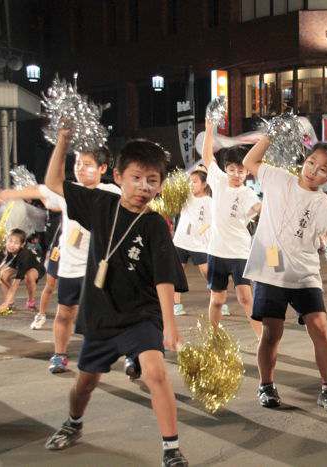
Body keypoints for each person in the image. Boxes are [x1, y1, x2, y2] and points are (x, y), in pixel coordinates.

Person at [42, 130, 189, 466]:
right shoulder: (99, 204)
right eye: (136, 178)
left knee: (155, 372)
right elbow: (52, 181)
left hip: (141, 314)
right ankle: (73, 422)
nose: (144, 187)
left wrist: (170, 325)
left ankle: (171, 449)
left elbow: (164, 278)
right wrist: (64, 140)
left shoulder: (155, 224)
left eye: (152, 180)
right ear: (119, 176)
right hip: (101, 314)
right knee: (85, 384)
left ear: (161, 185)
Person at [242, 135, 327, 412]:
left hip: (305, 272)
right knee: (272, 332)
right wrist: (272, 134)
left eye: (322, 169)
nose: (313, 170)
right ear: (304, 161)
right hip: (271, 269)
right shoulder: (277, 178)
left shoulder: (322, 203)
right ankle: (266, 385)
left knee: (319, 327)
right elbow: (250, 161)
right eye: (311, 162)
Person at [0, 146, 121, 373]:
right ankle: (59, 354)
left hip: (98, 267)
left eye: (87, 164)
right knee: (65, 312)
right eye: (77, 163)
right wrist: (8, 194)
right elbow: (41, 190)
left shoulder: (111, 192)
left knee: (110, 313)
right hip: (70, 266)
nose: (80, 168)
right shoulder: (68, 190)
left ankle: (130, 353)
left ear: (102, 168)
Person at [202, 120, 262, 337]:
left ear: (247, 173)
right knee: (217, 299)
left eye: (241, 170)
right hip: (216, 251)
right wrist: (209, 129)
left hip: (239, 253)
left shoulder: (248, 193)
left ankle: (262, 339)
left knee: (246, 298)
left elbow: (258, 207)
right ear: (226, 169)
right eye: (232, 169)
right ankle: (214, 337)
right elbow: (207, 157)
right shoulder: (217, 181)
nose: (236, 174)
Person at [172, 165, 212, 316]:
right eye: (190, 181)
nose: (191, 184)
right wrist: (193, 169)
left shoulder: (209, 201)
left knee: (207, 271)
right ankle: (176, 304)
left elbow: (213, 222)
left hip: (199, 244)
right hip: (181, 241)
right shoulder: (185, 197)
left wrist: (203, 230)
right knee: (177, 272)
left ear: (204, 184)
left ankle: (217, 299)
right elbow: (176, 183)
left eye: (195, 181)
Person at [0, 228, 46, 311]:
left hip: (35, 268)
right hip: (19, 264)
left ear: (22, 244)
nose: (12, 245)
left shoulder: (24, 256)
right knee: (1, 275)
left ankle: (31, 301)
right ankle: (10, 302)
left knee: (29, 276)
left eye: (16, 243)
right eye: (10, 241)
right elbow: (6, 260)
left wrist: (4, 304)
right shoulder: (10, 249)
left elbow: (15, 284)